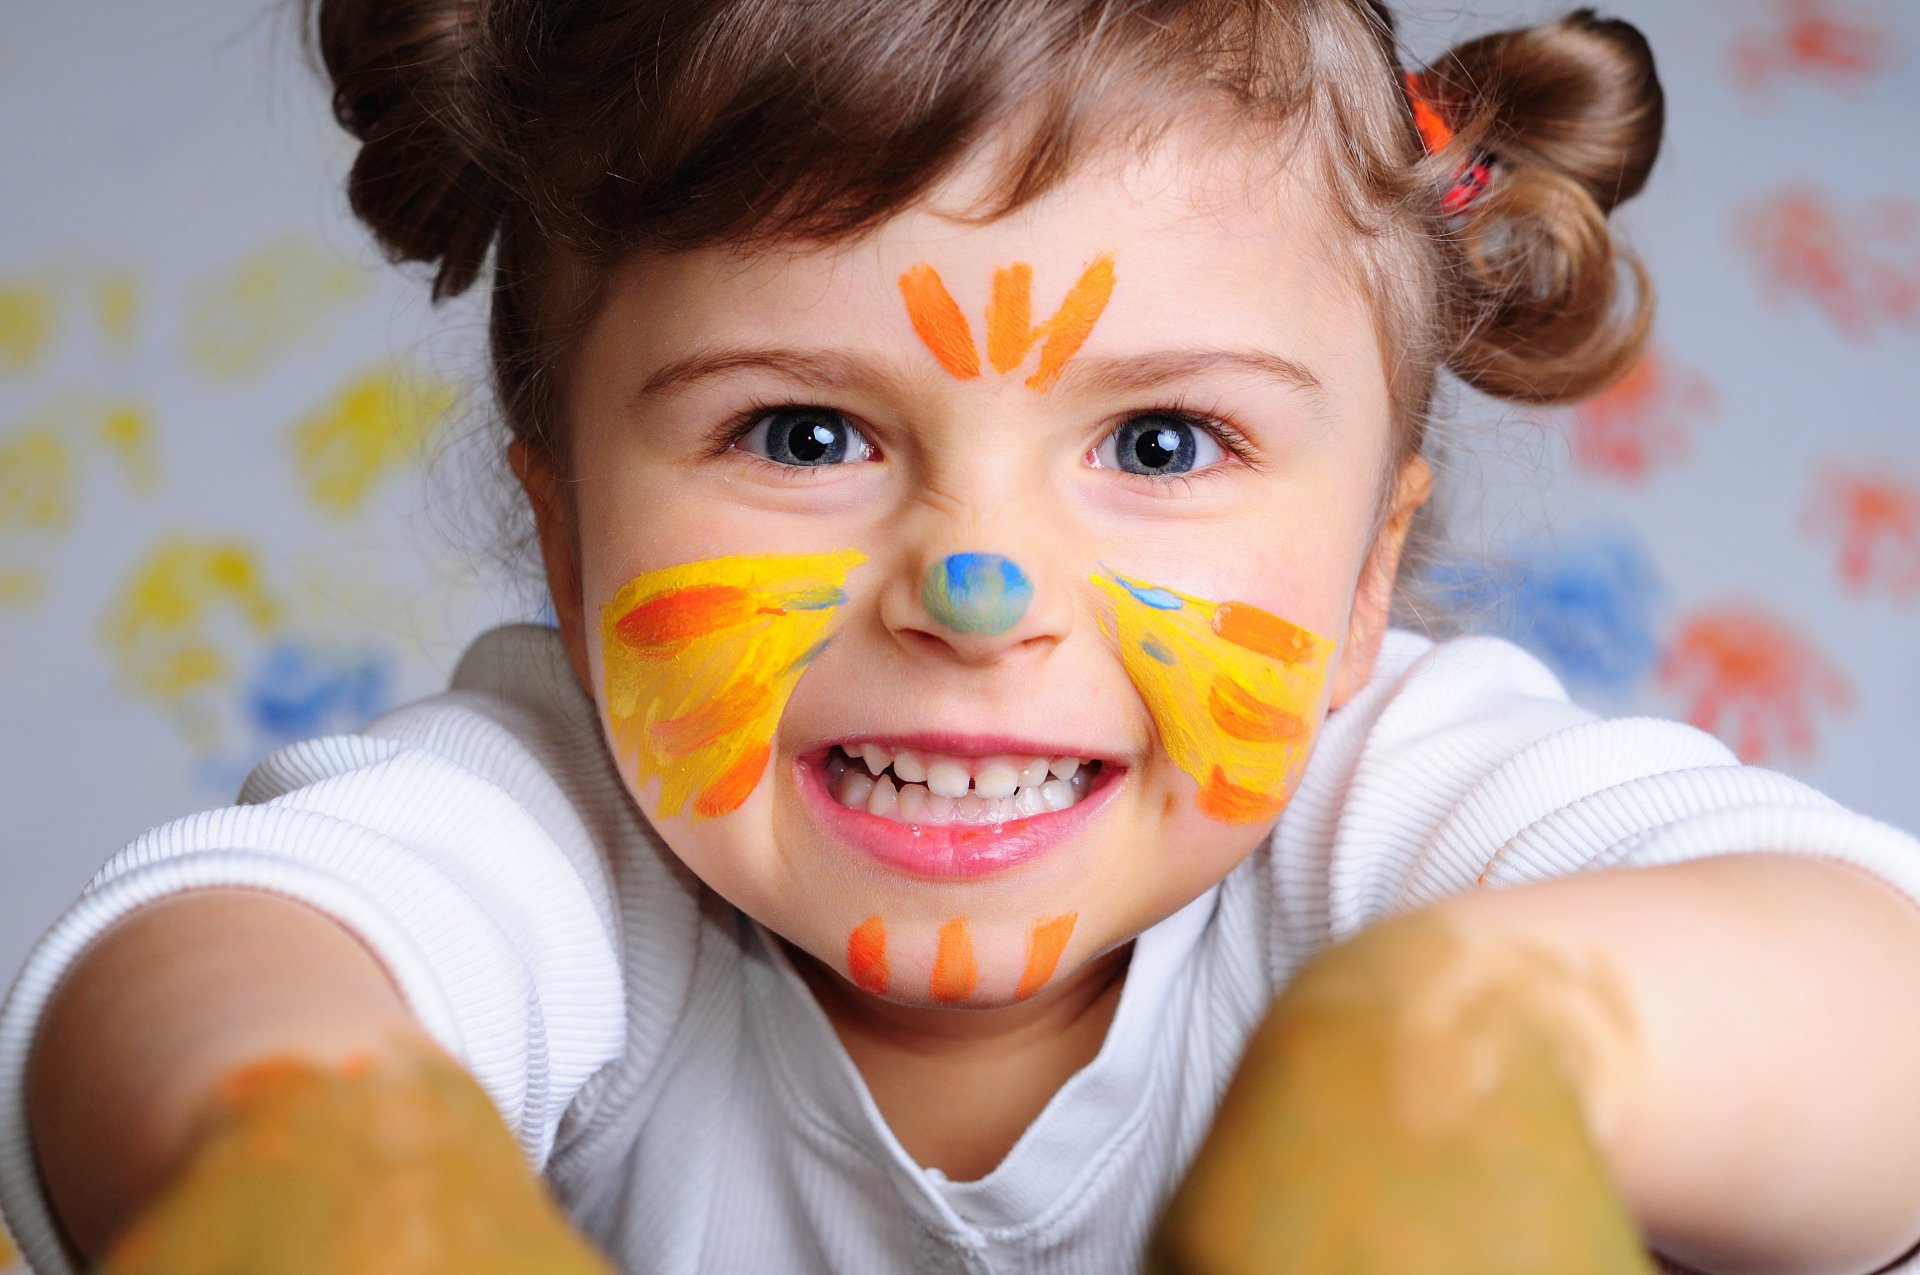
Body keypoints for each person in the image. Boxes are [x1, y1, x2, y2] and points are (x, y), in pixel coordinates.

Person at [5, 1, 1920, 1271]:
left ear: (1362, 582)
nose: (976, 587)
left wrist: (1467, 1047)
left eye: (1164, 442)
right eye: (804, 433)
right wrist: (315, 1136)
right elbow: (234, 947)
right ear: (564, 525)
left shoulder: (1392, 827)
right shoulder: (561, 837)